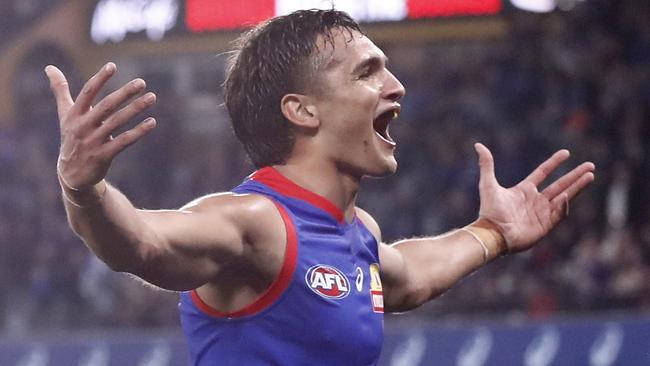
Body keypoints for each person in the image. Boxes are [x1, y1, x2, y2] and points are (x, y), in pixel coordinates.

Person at [45, 9, 595, 366]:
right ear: (302, 110)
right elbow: (143, 242)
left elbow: (410, 273)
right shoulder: (255, 221)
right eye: (367, 72)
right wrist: (83, 189)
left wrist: (492, 233)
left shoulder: (357, 235)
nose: (396, 86)